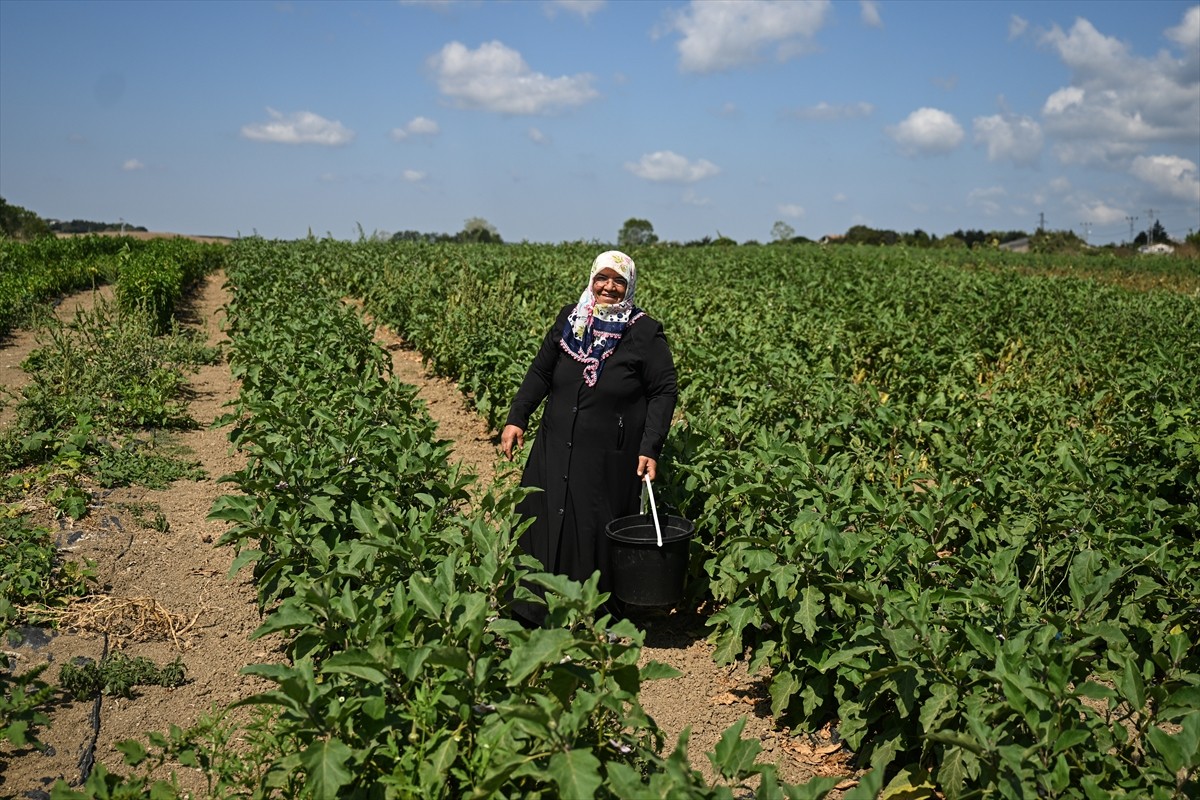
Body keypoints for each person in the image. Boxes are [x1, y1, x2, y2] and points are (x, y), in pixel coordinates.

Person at [500, 250, 678, 624]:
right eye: (603, 278)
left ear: (629, 286)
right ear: (592, 279)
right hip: (554, 445)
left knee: (594, 530)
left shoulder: (643, 331)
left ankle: (592, 617)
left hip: (607, 456)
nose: (608, 287)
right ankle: (530, 611)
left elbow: (664, 390)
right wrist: (518, 416)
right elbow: (541, 372)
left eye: (619, 281)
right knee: (543, 520)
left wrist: (650, 446)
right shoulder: (571, 319)